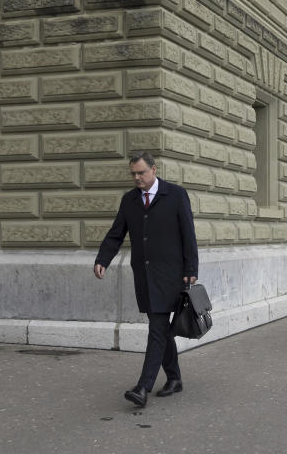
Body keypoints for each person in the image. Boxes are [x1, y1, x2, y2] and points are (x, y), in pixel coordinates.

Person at [94, 151, 199, 408]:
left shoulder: (175, 194)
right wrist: (103, 259)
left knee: (157, 329)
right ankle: (174, 378)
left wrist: (191, 268)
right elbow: (116, 232)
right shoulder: (129, 200)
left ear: (154, 169)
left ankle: (143, 387)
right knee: (161, 328)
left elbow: (188, 234)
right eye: (133, 174)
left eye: (141, 172)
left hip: (171, 276)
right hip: (144, 275)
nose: (137, 178)